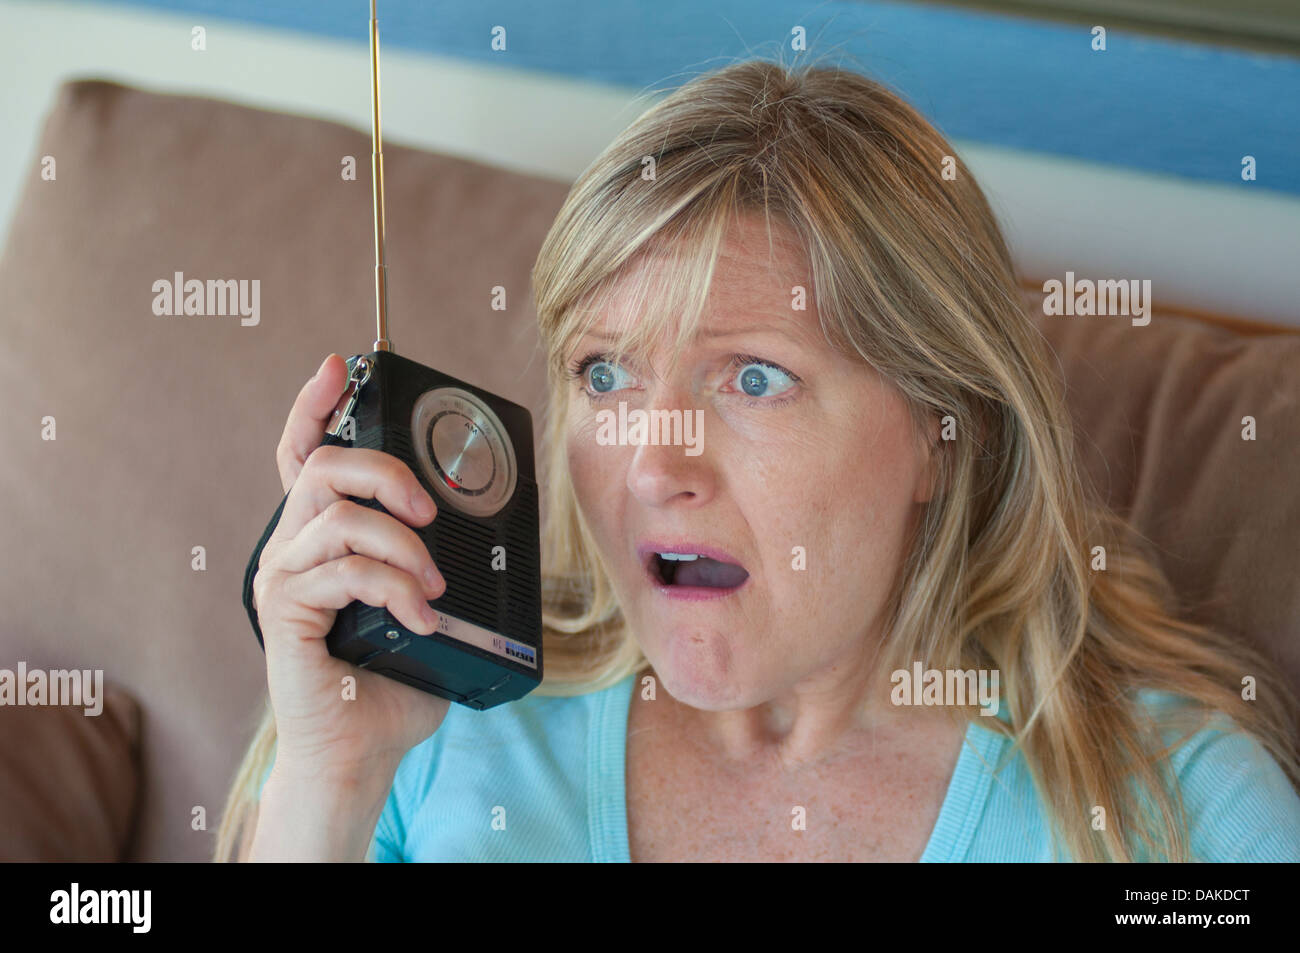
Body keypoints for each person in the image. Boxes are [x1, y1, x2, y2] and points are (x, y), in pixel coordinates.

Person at [216, 59, 1300, 862]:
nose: (653, 464)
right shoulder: (425, 733)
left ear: (942, 425)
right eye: (606, 374)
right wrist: (330, 783)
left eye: (750, 379)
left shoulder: (1181, 814)